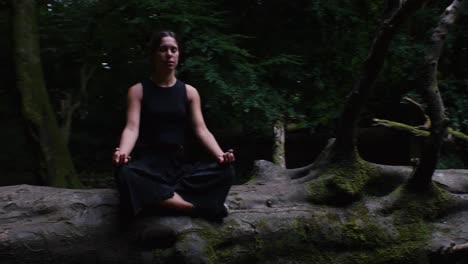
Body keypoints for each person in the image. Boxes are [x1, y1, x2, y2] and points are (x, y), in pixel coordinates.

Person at [113, 31, 235, 222]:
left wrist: (220, 156)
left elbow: (201, 129)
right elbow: (131, 128)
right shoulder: (137, 91)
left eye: (174, 50)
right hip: (149, 164)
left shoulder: (190, 92)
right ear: (154, 55)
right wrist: (123, 153)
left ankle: (158, 201)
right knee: (125, 173)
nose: (169, 54)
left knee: (227, 171)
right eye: (163, 49)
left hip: (179, 165)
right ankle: (198, 209)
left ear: (179, 54)